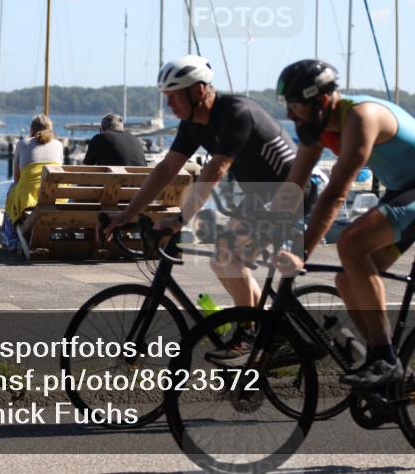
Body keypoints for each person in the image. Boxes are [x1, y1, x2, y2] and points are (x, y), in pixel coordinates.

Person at [272, 59, 415, 394]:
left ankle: (383, 359)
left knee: (351, 243)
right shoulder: (316, 128)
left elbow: (334, 195)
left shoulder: (361, 117)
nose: (291, 116)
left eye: (297, 107)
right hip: (404, 190)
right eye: (288, 107)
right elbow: (294, 185)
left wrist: (301, 253)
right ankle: (397, 374)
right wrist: (260, 230)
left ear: (321, 101)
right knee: (347, 279)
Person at [102, 55, 297, 317]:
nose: (169, 104)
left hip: (291, 192)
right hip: (261, 195)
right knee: (221, 261)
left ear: (198, 90)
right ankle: (269, 332)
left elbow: (215, 170)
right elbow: (166, 169)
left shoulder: (237, 113)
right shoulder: (192, 124)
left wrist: (179, 221)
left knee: (229, 257)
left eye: (174, 96)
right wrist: (128, 213)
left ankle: (247, 335)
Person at [4, 114, 64, 224]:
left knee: (11, 189)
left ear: (31, 129)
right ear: (50, 130)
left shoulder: (22, 144)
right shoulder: (59, 145)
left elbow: (17, 180)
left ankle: (10, 237)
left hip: (29, 201)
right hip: (56, 199)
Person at [83, 113, 147, 167]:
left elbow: (87, 165)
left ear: (102, 129)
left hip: (115, 180)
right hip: (141, 180)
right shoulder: (136, 139)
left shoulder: (100, 137)